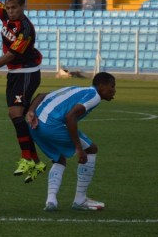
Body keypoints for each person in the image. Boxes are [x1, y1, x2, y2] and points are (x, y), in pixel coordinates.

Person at [26, 72, 116, 211]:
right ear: (101, 86)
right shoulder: (94, 96)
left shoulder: (76, 88)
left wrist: (30, 111)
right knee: (91, 149)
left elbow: (40, 95)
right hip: (52, 126)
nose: (114, 90)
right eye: (112, 86)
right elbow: (70, 117)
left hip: (35, 125)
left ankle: (51, 200)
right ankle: (80, 200)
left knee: (59, 159)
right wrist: (79, 149)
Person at [0, 0, 46, 183]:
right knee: (21, 116)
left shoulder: (26, 30)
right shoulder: (3, 12)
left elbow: (10, 56)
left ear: (23, 7)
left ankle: (26, 157)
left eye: (14, 8)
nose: (10, 11)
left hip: (27, 72)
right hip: (15, 74)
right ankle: (36, 162)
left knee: (15, 113)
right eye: (8, 8)